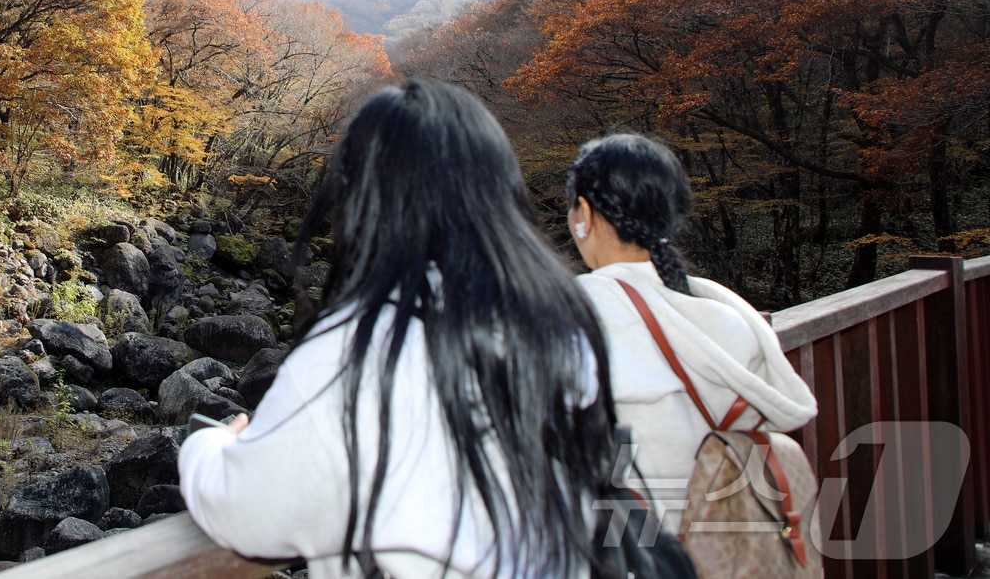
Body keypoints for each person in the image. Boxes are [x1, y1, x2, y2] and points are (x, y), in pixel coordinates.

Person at [180, 79, 616, 579]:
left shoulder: (354, 349)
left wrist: (209, 446)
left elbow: (247, 513)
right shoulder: (563, 322)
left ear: (363, 197)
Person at [566, 133, 817, 522]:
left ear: (583, 213)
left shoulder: (576, 312)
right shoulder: (720, 308)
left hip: (630, 540)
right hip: (718, 537)